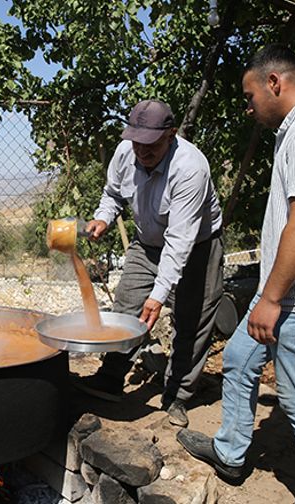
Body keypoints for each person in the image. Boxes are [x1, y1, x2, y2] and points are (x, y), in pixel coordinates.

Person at [176, 44, 295, 504]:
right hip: (290, 292)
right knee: (240, 357)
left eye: (250, 94)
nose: (248, 105)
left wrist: (272, 299)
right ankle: (231, 453)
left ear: (274, 83)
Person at [77, 99, 225, 428]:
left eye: (151, 145)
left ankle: (178, 395)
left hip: (198, 246)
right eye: (136, 143)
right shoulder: (125, 153)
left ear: (171, 135)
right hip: (147, 244)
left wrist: (159, 295)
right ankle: (111, 378)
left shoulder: (190, 169)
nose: (142, 152)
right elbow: (112, 193)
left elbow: (180, 240)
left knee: (192, 320)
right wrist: (103, 218)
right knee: (126, 306)